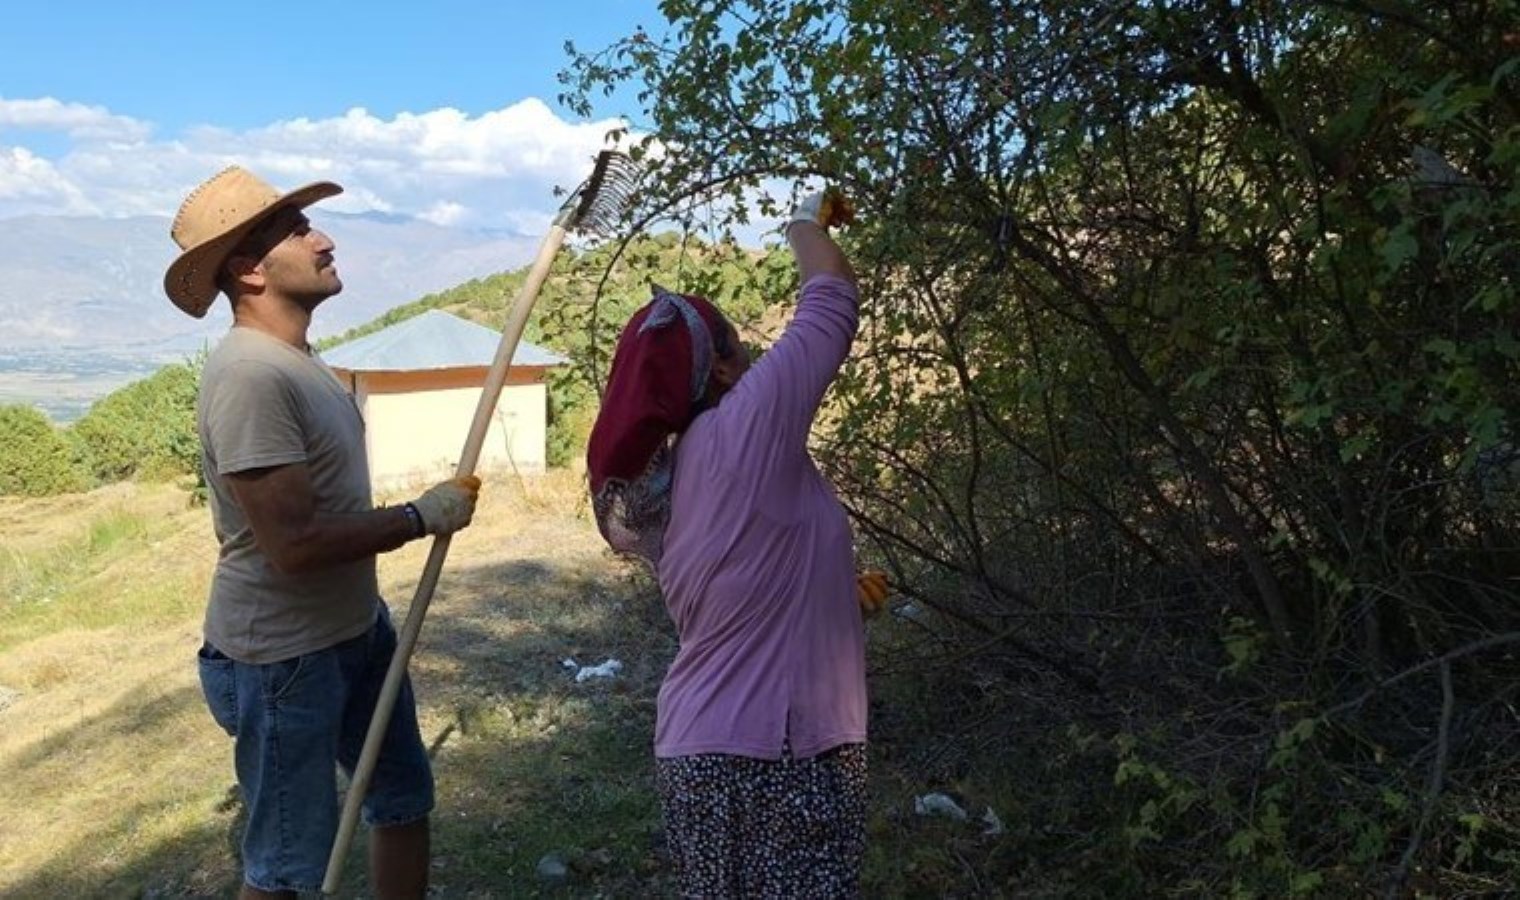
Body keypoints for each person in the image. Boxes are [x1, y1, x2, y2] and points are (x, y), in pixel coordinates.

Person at [164, 166, 481, 899]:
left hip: (352, 630)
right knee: (283, 866)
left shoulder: (297, 361)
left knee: (403, 801)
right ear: (248, 269)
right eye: (298, 231)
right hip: (286, 661)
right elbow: (293, 544)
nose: (324, 240)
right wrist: (416, 518)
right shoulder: (249, 377)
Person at [587, 189, 873, 897]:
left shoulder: (675, 474)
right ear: (718, 368)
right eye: (743, 345)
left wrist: (838, 603)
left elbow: (741, 603)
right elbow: (832, 301)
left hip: (703, 753)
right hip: (774, 757)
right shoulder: (743, 427)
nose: (755, 358)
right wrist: (804, 220)